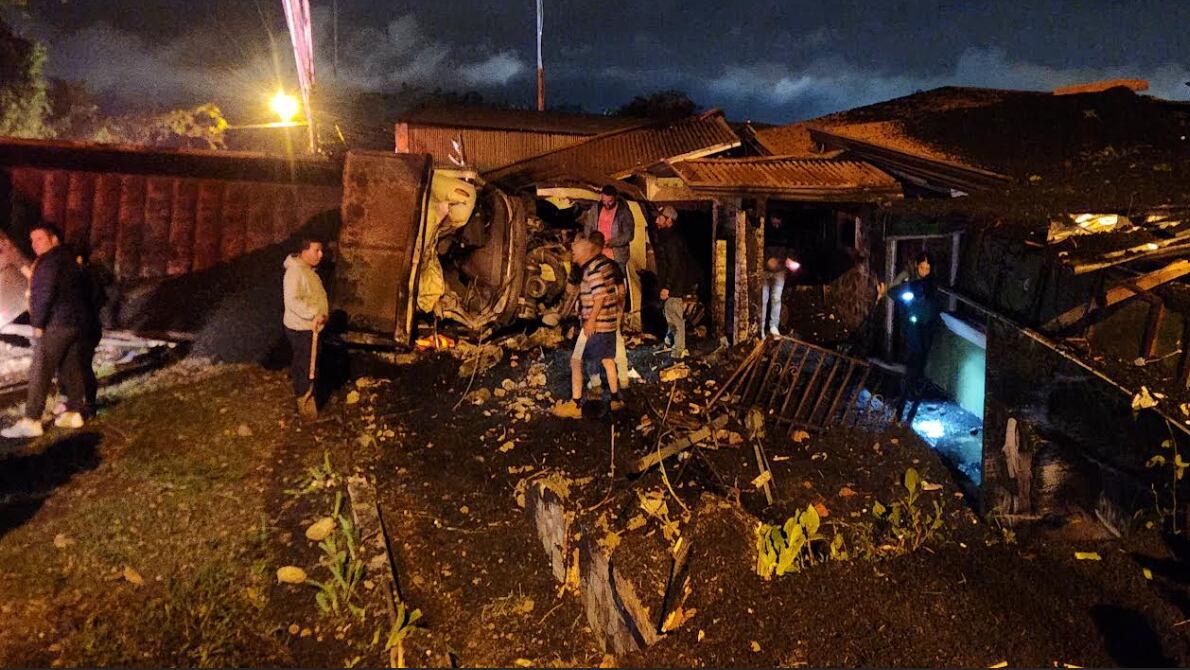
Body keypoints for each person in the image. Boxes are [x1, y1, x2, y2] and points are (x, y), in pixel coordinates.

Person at [2, 224, 89, 438]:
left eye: (40, 239)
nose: (35, 244)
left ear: (54, 239)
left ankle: (31, 420)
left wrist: (38, 324)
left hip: (56, 323)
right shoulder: (69, 259)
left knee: (40, 369)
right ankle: (75, 413)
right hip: (75, 323)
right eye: (32, 240)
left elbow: (43, 294)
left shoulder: (47, 262)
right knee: (70, 367)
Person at [552, 231, 624, 420]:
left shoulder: (591, 270)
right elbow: (617, 291)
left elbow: (599, 297)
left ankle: (575, 405)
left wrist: (590, 321)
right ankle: (616, 399)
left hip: (596, 325)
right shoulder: (606, 264)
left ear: (585, 252)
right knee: (608, 360)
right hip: (608, 323)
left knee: (576, 361)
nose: (573, 256)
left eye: (575, 252)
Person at [582, 185, 636, 385]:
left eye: (609, 201)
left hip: (614, 256)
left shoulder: (624, 211)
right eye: (604, 201)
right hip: (600, 255)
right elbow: (588, 229)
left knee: (611, 294)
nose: (606, 204)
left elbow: (629, 235)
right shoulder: (595, 210)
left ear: (615, 198)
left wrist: (611, 242)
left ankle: (615, 325)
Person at [878, 251, 940, 424]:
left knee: (918, 363)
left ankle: (910, 396)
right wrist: (888, 292)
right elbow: (897, 292)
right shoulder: (912, 281)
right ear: (917, 266)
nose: (925, 271)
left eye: (928, 268)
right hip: (914, 328)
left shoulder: (930, 284)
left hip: (925, 328)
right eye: (922, 267)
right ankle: (903, 403)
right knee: (914, 362)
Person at [283, 236, 329, 417]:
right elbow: (293, 301)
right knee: (305, 366)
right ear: (304, 250)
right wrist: (314, 313)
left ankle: (307, 398)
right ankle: (305, 405)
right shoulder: (295, 272)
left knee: (310, 363)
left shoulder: (307, 270)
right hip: (301, 328)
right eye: (316, 250)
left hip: (312, 327)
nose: (321, 254)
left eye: (321, 250)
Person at [653, 206, 696, 360]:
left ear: (669, 220)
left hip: (675, 287)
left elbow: (674, 265)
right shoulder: (668, 238)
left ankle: (679, 351)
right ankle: (669, 343)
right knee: (670, 315)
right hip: (673, 286)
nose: (656, 220)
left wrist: (667, 287)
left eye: (660, 217)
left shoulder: (672, 240)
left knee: (675, 318)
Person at [762, 215, 798, 337]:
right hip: (764, 271)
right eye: (775, 223)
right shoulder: (764, 230)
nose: (777, 226)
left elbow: (791, 248)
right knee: (763, 299)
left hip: (780, 271)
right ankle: (761, 329)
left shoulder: (787, 231)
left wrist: (789, 259)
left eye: (779, 223)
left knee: (776, 298)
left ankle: (774, 327)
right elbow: (759, 247)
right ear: (771, 218)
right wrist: (766, 260)